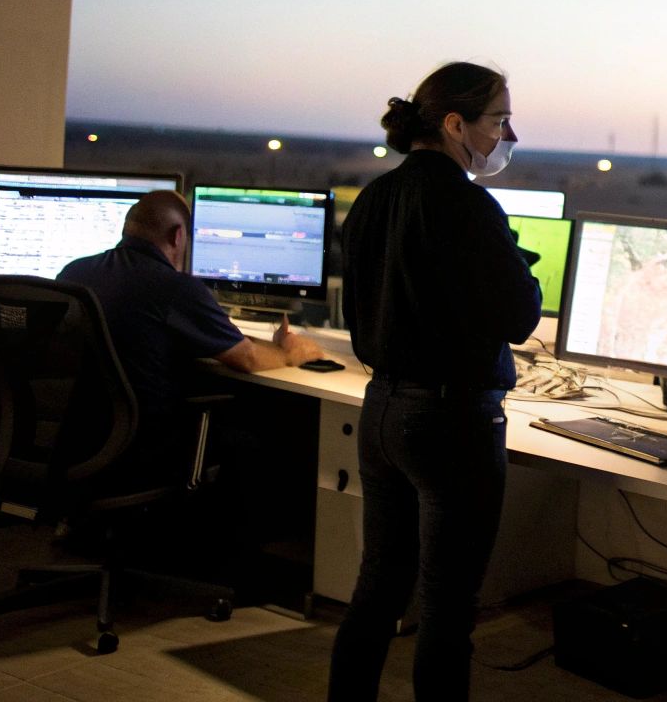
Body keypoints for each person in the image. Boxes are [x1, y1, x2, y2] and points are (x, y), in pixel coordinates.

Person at [327, 61, 542, 701]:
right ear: (455, 125)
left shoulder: (373, 198)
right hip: (452, 423)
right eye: (499, 120)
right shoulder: (468, 205)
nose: (508, 136)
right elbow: (520, 318)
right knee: (448, 610)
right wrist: (518, 268)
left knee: (377, 589)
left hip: (382, 412)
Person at [59, 189, 325, 431]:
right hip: (144, 444)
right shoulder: (175, 288)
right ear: (178, 235)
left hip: (76, 437)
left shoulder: (74, 272)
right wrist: (290, 354)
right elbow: (248, 359)